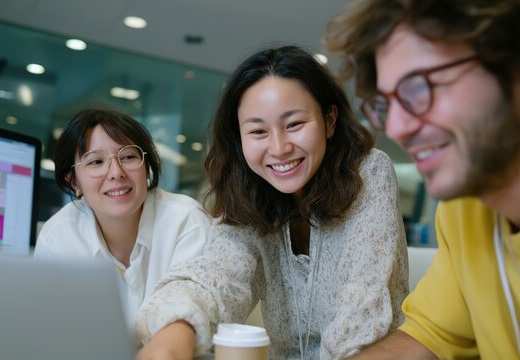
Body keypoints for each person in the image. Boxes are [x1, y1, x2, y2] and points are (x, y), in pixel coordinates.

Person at [325, 0, 520, 359]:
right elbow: (428, 337)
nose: (396, 128)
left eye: (419, 88)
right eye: (387, 105)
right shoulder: (465, 209)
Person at [134, 45, 408, 359]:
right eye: (258, 131)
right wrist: (172, 336)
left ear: (329, 120)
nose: (278, 148)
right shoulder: (251, 192)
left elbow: (361, 312)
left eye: (294, 125)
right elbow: (218, 274)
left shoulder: (369, 171)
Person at [34, 107, 212, 326]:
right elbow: (52, 329)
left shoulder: (186, 222)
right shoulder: (58, 238)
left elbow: (190, 316)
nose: (116, 172)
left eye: (128, 156)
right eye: (96, 162)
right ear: (74, 181)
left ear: (146, 168)